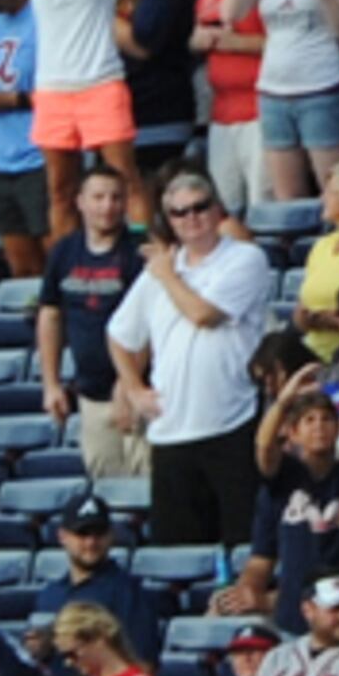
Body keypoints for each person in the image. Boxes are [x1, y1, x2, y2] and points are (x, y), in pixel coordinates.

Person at [105, 168, 278, 550]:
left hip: (231, 422)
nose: (191, 218)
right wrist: (133, 388)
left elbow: (204, 315)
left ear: (217, 210)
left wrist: (167, 276)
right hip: (171, 429)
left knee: (242, 542)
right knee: (176, 550)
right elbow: (119, 334)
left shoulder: (244, 258)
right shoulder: (161, 270)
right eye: (179, 213)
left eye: (199, 207)